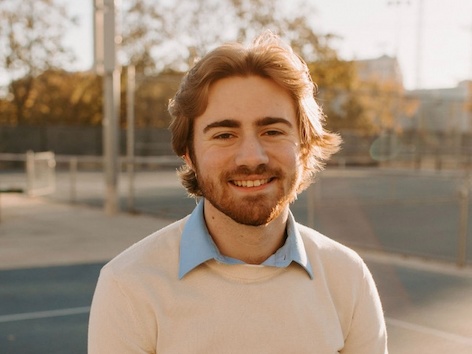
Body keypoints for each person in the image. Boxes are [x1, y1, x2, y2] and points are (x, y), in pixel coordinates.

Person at [88, 31, 388, 353]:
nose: (252, 157)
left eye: (272, 131)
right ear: (189, 153)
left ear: (303, 145)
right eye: (224, 135)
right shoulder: (129, 286)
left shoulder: (348, 277)